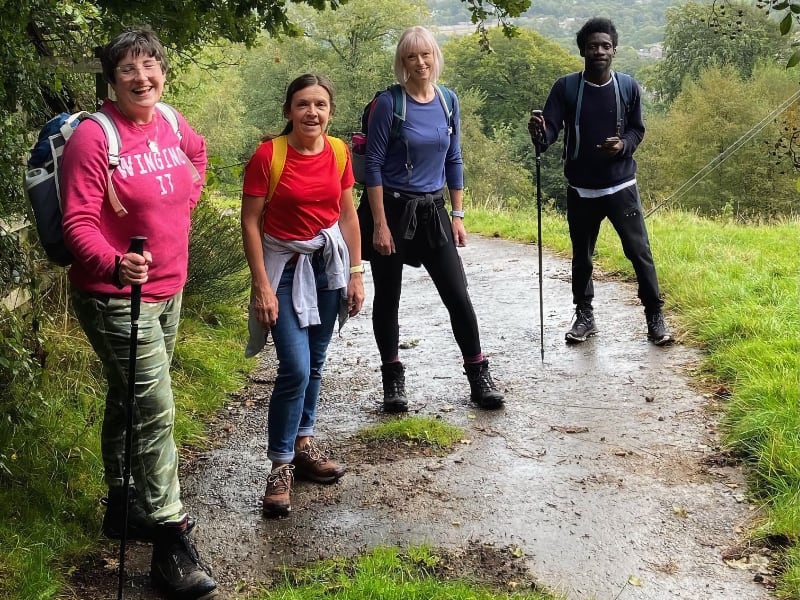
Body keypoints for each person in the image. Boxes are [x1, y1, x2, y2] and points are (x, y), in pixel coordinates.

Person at [60, 28, 217, 599]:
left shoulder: (171, 122)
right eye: (128, 68)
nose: (141, 77)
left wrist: (188, 197)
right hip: (114, 296)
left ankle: (123, 503)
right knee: (155, 410)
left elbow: (197, 155)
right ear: (112, 79)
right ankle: (170, 543)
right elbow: (78, 222)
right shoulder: (94, 137)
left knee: (131, 398)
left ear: (163, 73)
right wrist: (115, 262)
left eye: (150, 65)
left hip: (170, 289)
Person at [360, 26, 504, 413]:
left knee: (457, 294)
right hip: (392, 209)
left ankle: (478, 374)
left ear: (435, 56)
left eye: (426, 54)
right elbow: (373, 166)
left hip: (433, 210)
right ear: (402, 62)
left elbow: (453, 158)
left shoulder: (447, 100)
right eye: (411, 56)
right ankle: (392, 378)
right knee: (388, 296)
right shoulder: (390, 104)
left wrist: (457, 215)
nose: (420, 62)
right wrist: (379, 224)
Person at [241, 74, 364, 518]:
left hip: (326, 266)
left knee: (315, 361)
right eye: (303, 104)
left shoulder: (339, 152)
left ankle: (304, 444)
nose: (312, 112)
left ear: (330, 112)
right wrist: (261, 285)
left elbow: (347, 215)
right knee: (294, 366)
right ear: (289, 111)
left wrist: (355, 273)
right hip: (283, 267)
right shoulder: (268, 156)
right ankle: (280, 466)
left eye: (320, 105)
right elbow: (250, 221)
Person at [528, 17, 674, 346]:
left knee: (639, 252)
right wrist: (539, 132)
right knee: (582, 257)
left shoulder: (628, 87)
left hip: (621, 186)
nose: (599, 51)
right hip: (581, 189)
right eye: (593, 46)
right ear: (582, 50)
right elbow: (549, 133)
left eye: (606, 46)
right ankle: (584, 315)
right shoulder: (566, 88)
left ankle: (654, 316)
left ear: (614, 51)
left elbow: (637, 129)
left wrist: (623, 146)